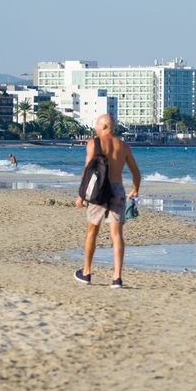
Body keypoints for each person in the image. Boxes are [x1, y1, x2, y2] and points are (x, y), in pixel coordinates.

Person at [73, 114, 141, 288]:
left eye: (96, 125)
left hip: (98, 190)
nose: (95, 128)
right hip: (117, 189)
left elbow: (87, 170)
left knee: (91, 232)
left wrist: (81, 195)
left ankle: (86, 272)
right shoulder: (123, 146)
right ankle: (116, 278)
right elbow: (136, 173)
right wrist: (135, 189)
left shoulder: (93, 143)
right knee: (117, 235)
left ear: (104, 126)